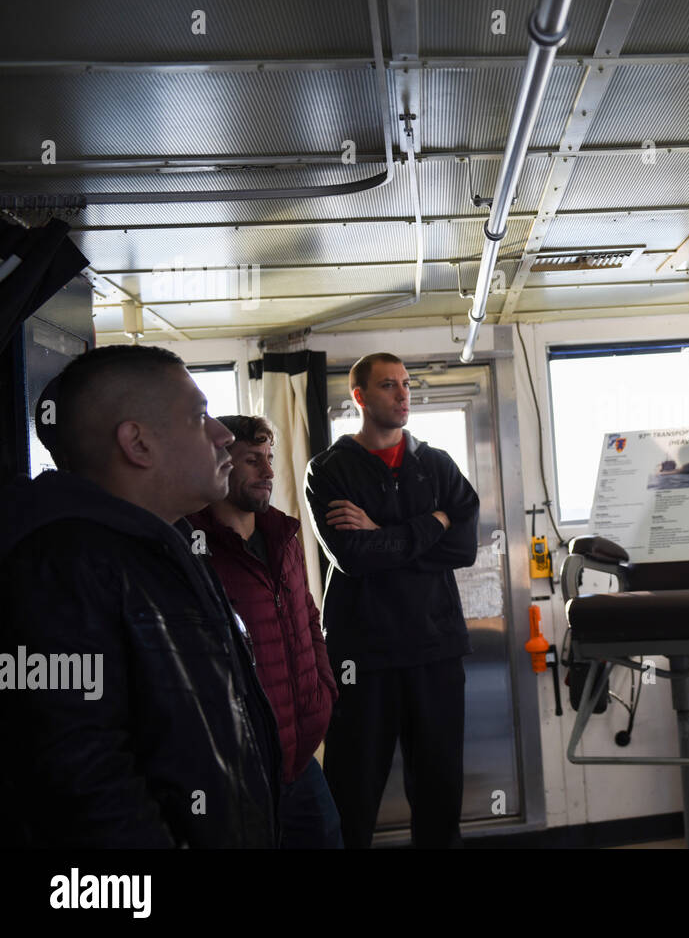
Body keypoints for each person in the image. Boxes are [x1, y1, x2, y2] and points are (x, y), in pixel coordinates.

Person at [0, 344, 280, 847]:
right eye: (200, 416)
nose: (223, 435)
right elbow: (81, 781)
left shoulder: (159, 548)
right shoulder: (61, 567)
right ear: (138, 444)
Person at [304, 353, 480, 848]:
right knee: (352, 799)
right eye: (388, 386)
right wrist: (433, 525)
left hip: (436, 650)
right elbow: (353, 557)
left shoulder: (437, 464)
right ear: (360, 396)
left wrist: (383, 532)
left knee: (440, 799)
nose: (403, 395)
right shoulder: (329, 470)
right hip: (364, 657)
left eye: (406, 384)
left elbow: (464, 548)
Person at [189, 415, 342, 848]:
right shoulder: (192, 544)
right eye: (253, 460)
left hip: (300, 757)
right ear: (220, 463)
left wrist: (324, 692)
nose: (269, 472)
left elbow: (307, 616)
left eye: (270, 458)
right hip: (238, 767)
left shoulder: (284, 534)